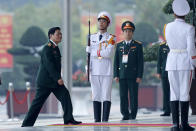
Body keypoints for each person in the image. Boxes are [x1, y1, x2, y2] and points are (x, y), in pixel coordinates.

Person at [21, 27, 81, 127]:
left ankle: (69, 119)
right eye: (58, 34)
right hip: (45, 82)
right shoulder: (47, 48)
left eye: (61, 34)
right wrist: (58, 78)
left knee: (65, 95)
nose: (60, 36)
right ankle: (26, 124)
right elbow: (50, 65)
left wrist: (57, 78)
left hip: (54, 82)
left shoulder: (55, 47)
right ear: (51, 36)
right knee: (37, 104)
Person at [165, 0, 196, 130]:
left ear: (174, 13)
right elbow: (191, 48)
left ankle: (175, 124)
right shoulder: (189, 28)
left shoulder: (168, 27)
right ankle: (184, 124)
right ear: (186, 14)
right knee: (184, 92)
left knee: (174, 92)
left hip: (172, 61)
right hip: (184, 61)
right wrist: (194, 62)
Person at [86, 11, 116, 122]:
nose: (101, 23)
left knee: (106, 95)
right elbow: (87, 56)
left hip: (106, 70)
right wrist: (87, 68)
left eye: (104, 21)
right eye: (99, 21)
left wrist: (94, 52)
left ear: (108, 24)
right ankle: (97, 120)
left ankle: (105, 120)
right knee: (96, 95)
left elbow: (108, 53)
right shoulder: (91, 37)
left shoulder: (111, 38)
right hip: (93, 70)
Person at [113, 21, 144, 120]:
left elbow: (140, 62)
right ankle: (125, 114)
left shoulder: (138, 45)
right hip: (122, 75)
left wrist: (139, 76)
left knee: (133, 96)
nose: (128, 33)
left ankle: (133, 114)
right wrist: (116, 75)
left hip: (133, 75)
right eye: (126, 31)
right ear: (122, 32)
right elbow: (116, 62)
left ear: (132, 32)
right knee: (123, 96)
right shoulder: (119, 45)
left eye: (130, 31)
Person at [157, 41, 171, 116]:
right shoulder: (162, 46)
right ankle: (166, 110)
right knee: (165, 91)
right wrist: (158, 72)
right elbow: (159, 60)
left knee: (175, 91)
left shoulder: (176, 43)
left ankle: (176, 109)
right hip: (164, 72)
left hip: (174, 71)